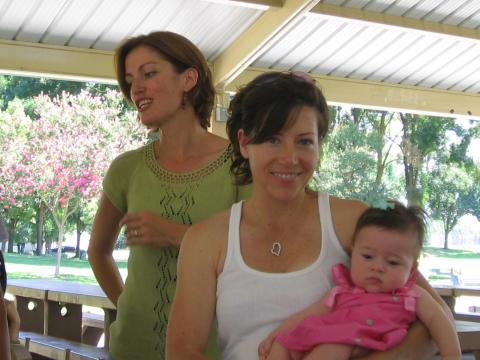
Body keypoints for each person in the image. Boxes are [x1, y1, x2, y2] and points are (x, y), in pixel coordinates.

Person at [166, 71, 455, 360]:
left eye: (304, 141)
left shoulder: (351, 221)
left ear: (319, 145)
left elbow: (436, 318)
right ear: (244, 143)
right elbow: (182, 352)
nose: (290, 157)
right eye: (273, 140)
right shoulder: (206, 239)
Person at [87, 31, 249, 360]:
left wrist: (176, 235)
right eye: (131, 80)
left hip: (211, 350)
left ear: (189, 78)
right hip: (130, 348)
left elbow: (258, 257)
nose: (136, 89)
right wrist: (128, 308)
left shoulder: (240, 165)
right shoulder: (126, 168)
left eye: (149, 74)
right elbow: (97, 252)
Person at [259, 202, 461, 360]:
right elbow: (308, 315)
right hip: (328, 335)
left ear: (412, 269)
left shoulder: (411, 295)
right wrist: (277, 334)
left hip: (358, 342)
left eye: (392, 262)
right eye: (367, 257)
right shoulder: (341, 292)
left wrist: (451, 354)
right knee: (284, 345)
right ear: (352, 252)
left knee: (331, 349)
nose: (377, 267)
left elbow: (438, 319)